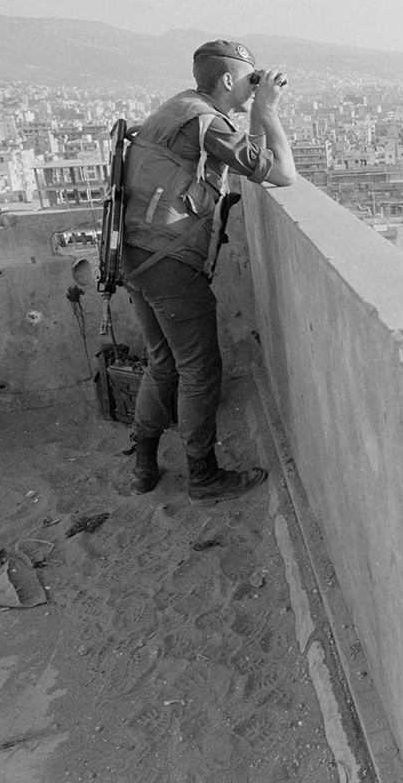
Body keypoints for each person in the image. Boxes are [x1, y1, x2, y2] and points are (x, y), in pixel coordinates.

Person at [120, 40, 295, 504]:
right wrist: (269, 109)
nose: (253, 89)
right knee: (199, 371)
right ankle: (203, 475)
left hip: (136, 256)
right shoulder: (207, 122)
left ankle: (143, 468)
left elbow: (249, 157)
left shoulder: (178, 108)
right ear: (228, 80)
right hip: (170, 262)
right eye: (249, 81)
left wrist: (255, 112)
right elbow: (283, 174)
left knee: (162, 363)